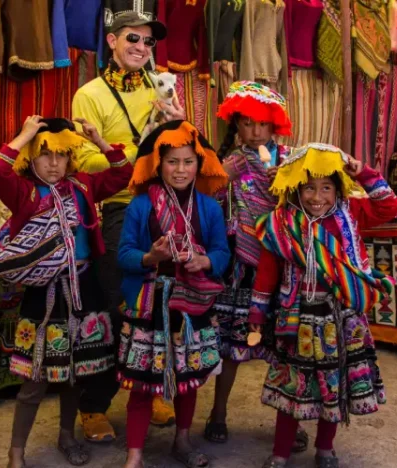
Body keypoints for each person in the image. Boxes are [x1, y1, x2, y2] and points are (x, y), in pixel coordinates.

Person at [0, 116, 133, 468]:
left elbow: (122, 175)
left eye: (61, 155)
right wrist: (23, 136)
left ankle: (66, 436)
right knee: (35, 380)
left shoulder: (82, 186)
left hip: (83, 286)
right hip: (45, 292)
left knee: (74, 374)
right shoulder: (23, 191)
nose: (54, 164)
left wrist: (100, 141)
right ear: (31, 159)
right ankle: (16, 452)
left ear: (71, 158)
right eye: (45, 155)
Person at [247, 143, 397, 468]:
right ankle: (280, 451)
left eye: (327, 188)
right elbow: (267, 274)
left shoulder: (351, 214)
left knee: (334, 386)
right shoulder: (282, 225)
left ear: (339, 189)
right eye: (309, 188)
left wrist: (360, 170)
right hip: (297, 317)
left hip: (341, 319)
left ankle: (325, 448)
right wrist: (257, 314)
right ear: (296, 189)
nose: (318, 197)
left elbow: (389, 205)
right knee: (292, 391)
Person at [71, 11, 185, 441]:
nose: (141, 47)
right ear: (113, 41)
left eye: (149, 42)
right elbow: (84, 162)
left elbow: (181, 156)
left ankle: (154, 388)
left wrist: (175, 124)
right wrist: (138, 151)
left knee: (165, 304)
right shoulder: (90, 95)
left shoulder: (161, 90)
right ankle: (93, 405)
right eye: (133, 38)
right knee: (118, 304)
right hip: (118, 208)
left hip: (163, 206)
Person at [117, 120, 230, 468]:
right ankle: (134, 455)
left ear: (199, 164)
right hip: (149, 303)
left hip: (191, 304)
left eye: (188, 162)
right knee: (141, 383)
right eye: (172, 162)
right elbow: (123, 254)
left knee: (188, 378)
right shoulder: (140, 206)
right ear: (158, 164)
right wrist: (150, 258)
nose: (180, 170)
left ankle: (182, 440)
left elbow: (223, 253)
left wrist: (204, 260)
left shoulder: (208, 207)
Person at [204, 81, 310, 451]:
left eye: (262, 124)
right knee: (231, 346)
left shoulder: (292, 162)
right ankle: (218, 413)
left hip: (283, 264)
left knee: (285, 347)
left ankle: (288, 418)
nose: (254, 131)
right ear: (236, 125)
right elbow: (210, 193)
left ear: (274, 126)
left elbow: (306, 203)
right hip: (240, 265)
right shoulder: (230, 162)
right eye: (246, 123)